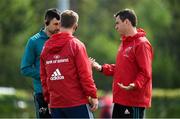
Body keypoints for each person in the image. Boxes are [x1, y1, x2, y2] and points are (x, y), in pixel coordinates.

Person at [90, 8, 153, 118]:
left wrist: (134, 84)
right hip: (120, 100)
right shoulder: (124, 44)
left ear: (127, 22)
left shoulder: (142, 44)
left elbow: (145, 72)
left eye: (117, 23)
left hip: (133, 102)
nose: (116, 26)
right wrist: (101, 68)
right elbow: (120, 68)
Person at [40, 10, 98, 118]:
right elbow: (85, 75)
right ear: (75, 26)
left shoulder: (45, 47)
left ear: (60, 24)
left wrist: (49, 100)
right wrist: (92, 95)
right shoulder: (76, 45)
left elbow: (44, 77)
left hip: (56, 104)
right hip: (77, 103)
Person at [20, 8, 61, 118]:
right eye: (55, 24)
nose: (58, 27)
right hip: (42, 93)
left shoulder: (62, 39)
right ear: (46, 23)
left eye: (60, 24)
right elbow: (25, 68)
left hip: (61, 92)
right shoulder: (34, 41)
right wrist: (45, 75)